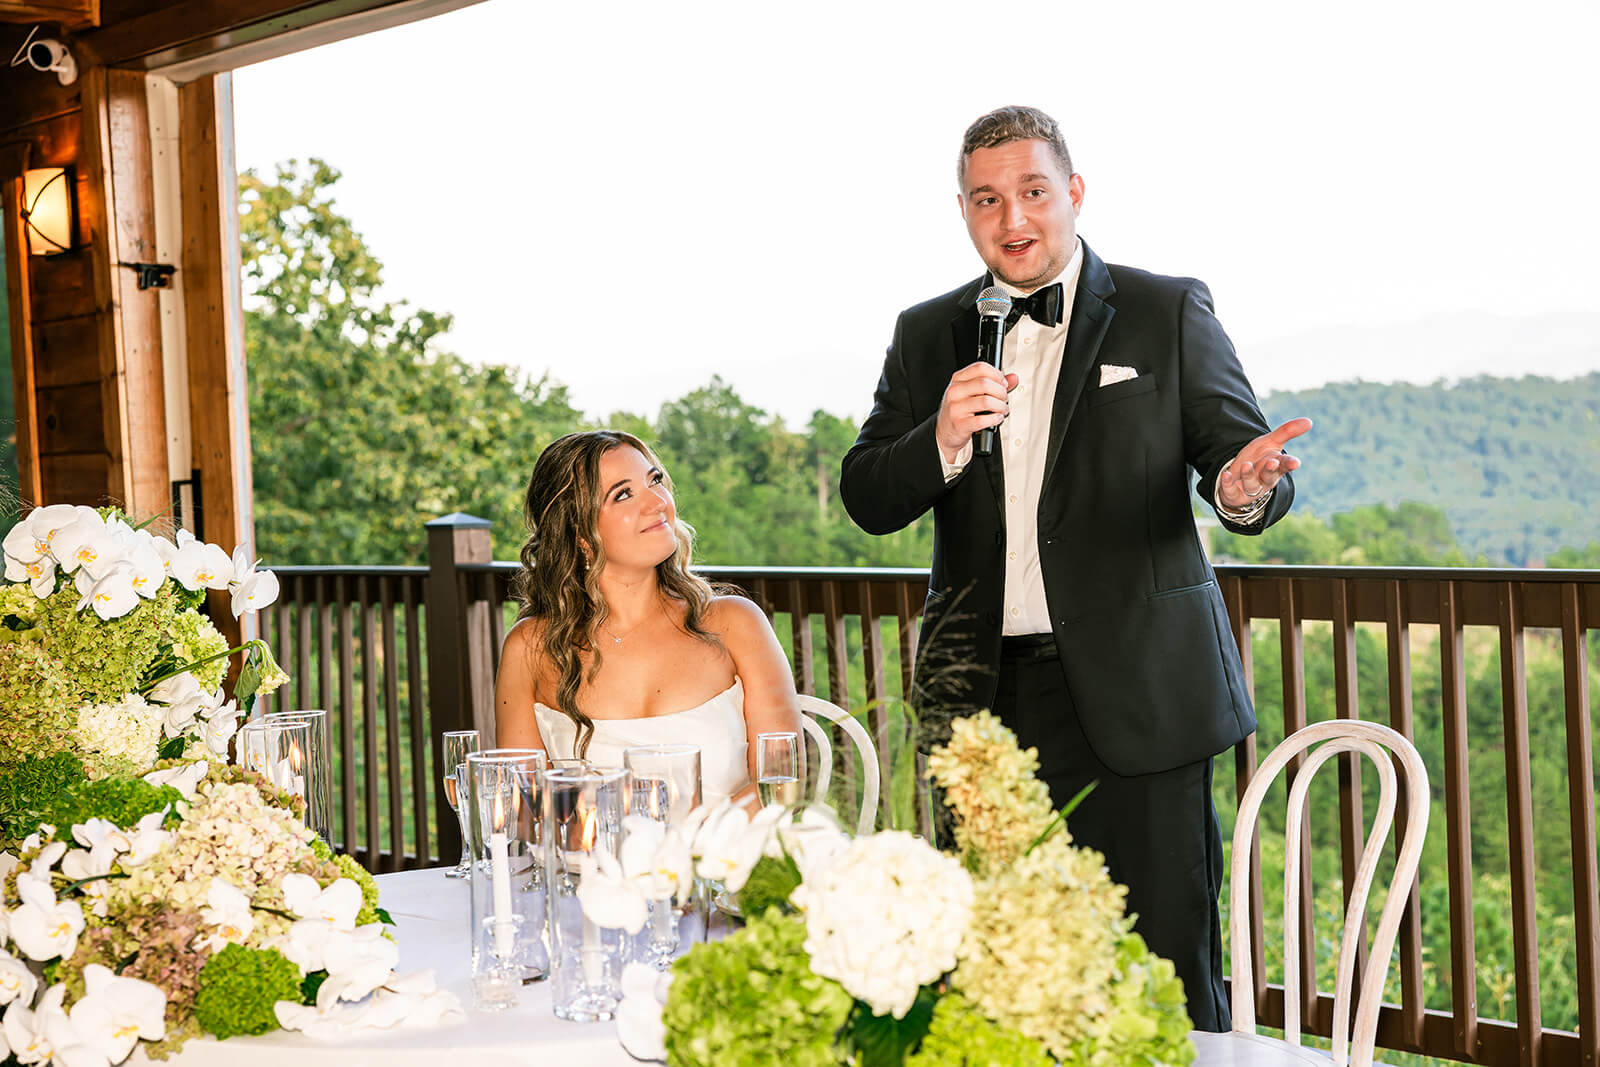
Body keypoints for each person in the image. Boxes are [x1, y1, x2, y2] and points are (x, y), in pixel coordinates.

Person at [839, 105, 1311, 1031]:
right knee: (997, 979)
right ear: (964, 210)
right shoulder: (926, 331)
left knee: (1160, 977)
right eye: (987, 200)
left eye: (1032, 192)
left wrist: (1245, 485)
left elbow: (1236, 457)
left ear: (1074, 193)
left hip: (1140, 699)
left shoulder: (1165, 308)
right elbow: (865, 493)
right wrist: (935, 438)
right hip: (983, 707)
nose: (1012, 219)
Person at [494, 430, 802, 806]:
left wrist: (679, 856)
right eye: (623, 494)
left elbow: (781, 782)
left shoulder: (735, 623)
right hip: (589, 865)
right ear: (578, 534)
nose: (658, 502)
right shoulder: (530, 647)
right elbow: (521, 809)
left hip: (726, 859)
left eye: (655, 480)